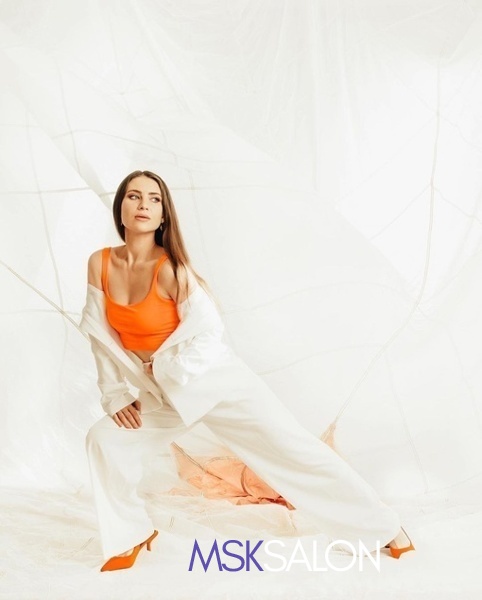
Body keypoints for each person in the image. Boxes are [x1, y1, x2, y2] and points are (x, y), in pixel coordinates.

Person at [80, 169, 415, 572]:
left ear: (164, 215)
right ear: (120, 207)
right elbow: (98, 334)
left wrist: (163, 368)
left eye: (154, 199)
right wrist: (116, 394)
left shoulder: (171, 269)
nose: (144, 205)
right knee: (105, 439)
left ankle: (384, 527)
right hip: (164, 394)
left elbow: (209, 334)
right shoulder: (100, 263)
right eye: (134, 196)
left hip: (216, 383)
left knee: (294, 451)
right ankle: (130, 533)